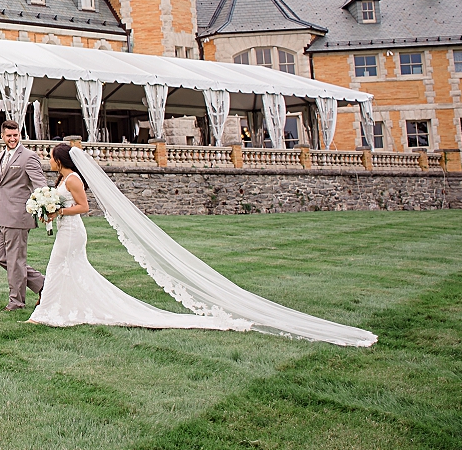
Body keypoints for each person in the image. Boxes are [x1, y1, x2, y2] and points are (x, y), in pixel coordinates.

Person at [28, 143, 378, 346]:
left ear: (61, 160)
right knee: (69, 270)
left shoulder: (72, 179)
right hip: (65, 230)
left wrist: (57, 209)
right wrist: (52, 211)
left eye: (51, 156)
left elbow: (85, 208)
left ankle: (50, 312)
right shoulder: (62, 178)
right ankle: (62, 309)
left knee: (58, 267)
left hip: (73, 231)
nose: (48, 159)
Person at [0, 119, 46, 311]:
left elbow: (40, 185)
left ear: (19, 134)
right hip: (1, 217)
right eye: (9, 136)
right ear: (2, 136)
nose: (13, 139)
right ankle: (43, 284)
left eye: (15, 135)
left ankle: (16, 301)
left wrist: (43, 206)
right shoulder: (1, 157)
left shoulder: (28, 157)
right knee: (0, 257)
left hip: (19, 217)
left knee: (16, 261)